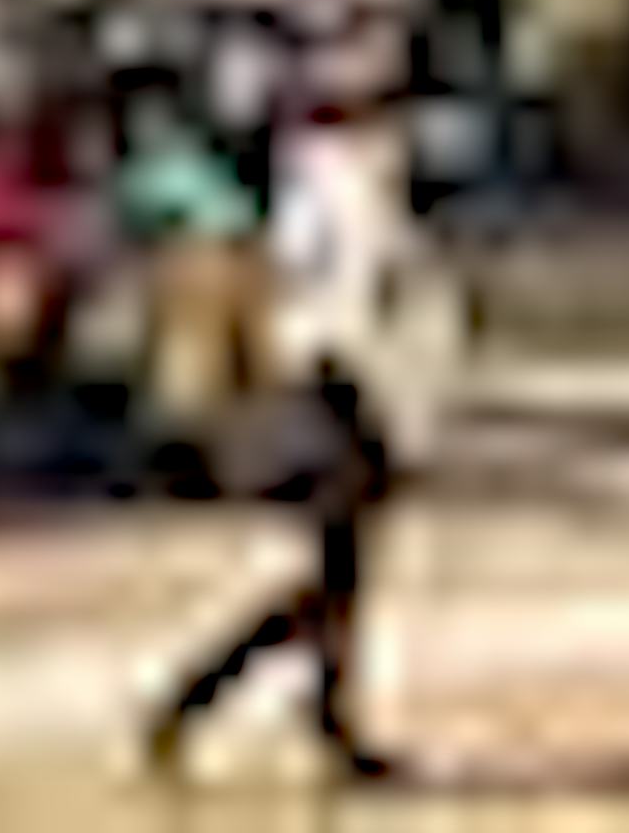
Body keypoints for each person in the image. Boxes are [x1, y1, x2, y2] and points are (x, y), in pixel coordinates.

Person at [143, 45, 434, 791]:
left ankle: (323, 723)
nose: (400, 125)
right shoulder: (340, 187)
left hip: (349, 391)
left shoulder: (345, 184)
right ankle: (198, 701)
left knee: (340, 577)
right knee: (331, 576)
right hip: (331, 394)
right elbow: (339, 297)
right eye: (387, 108)